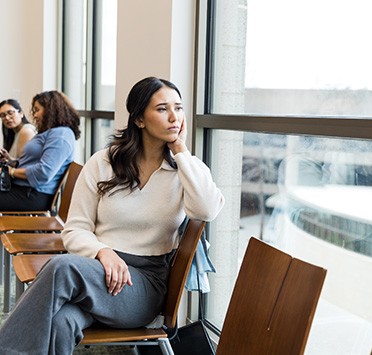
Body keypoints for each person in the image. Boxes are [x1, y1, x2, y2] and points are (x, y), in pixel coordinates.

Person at [0, 77, 225, 354]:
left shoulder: (187, 169)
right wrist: (102, 252)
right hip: (97, 272)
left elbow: (206, 210)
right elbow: (74, 230)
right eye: (162, 109)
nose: (174, 118)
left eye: (178, 109)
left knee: (62, 267)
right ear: (140, 119)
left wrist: (180, 151)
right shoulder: (103, 162)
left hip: (142, 285)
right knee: (61, 321)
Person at [0, 91, 81, 211]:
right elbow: (33, 163)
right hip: (23, 190)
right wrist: (12, 162)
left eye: (37, 110)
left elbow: (44, 173)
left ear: (51, 110)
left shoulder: (61, 135)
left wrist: (11, 171)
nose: (35, 115)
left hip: (32, 195)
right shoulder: (52, 133)